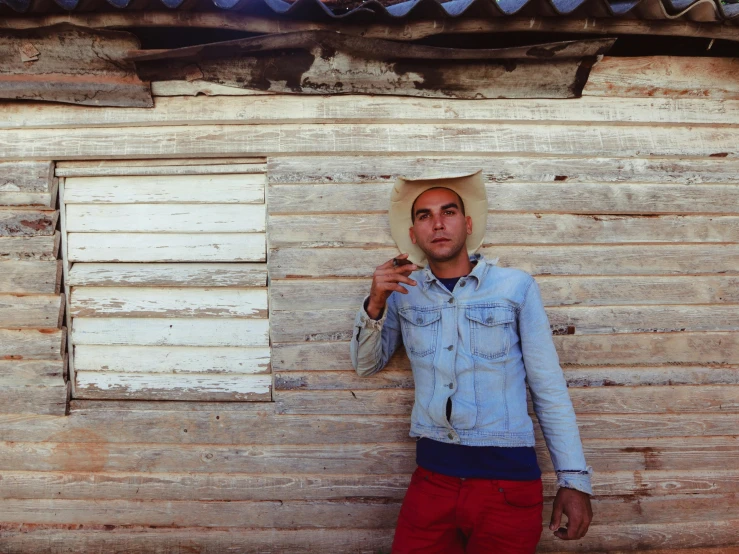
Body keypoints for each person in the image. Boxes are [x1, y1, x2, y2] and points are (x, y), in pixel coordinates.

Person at [350, 170, 593, 554]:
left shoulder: (515, 287)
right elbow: (366, 365)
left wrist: (574, 480)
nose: (438, 223)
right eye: (425, 216)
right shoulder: (403, 294)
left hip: (507, 483)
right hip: (433, 480)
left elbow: (548, 388)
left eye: (448, 212)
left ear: (468, 223)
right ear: (413, 234)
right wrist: (376, 303)